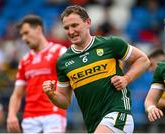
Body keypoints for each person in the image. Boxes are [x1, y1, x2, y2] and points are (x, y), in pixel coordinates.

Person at [42, 5, 150, 133]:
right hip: (93, 124)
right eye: (66, 28)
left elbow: (143, 60)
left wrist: (126, 79)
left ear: (88, 22)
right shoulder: (63, 62)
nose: (71, 31)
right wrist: (51, 94)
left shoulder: (110, 44)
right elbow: (64, 102)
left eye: (75, 25)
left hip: (118, 114)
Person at [6, 14, 67, 133]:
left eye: (26, 33)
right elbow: (17, 94)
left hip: (53, 113)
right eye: (22, 35)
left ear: (38, 29)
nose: (24, 38)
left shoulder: (60, 52)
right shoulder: (24, 60)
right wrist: (11, 115)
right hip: (30, 117)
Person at [144, 49, 165, 122]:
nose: (149, 70)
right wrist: (151, 108)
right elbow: (150, 101)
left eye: (151, 65)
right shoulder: (161, 69)